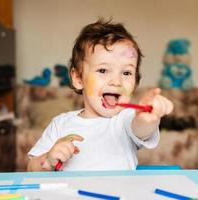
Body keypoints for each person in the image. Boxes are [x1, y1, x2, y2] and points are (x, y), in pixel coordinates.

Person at [27, 19, 173, 171]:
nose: (116, 81)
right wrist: (48, 160)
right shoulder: (60, 124)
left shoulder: (125, 120)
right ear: (78, 78)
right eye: (103, 70)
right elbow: (31, 169)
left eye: (126, 72)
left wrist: (147, 119)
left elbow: (141, 128)